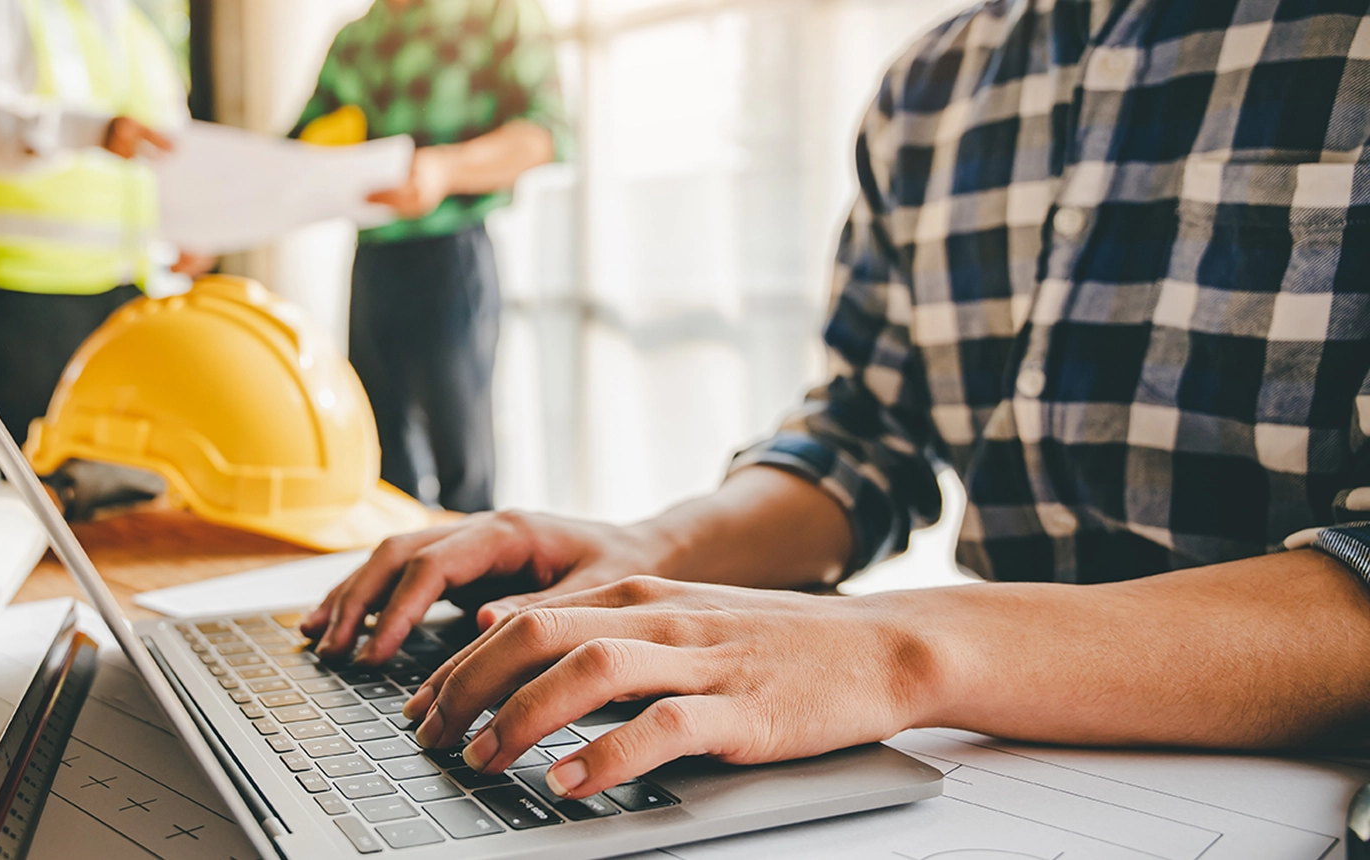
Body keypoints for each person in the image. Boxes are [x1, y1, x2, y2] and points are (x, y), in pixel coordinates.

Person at [305, 0, 1370, 806]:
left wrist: (899, 647)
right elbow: (869, 430)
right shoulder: (938, 83)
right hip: (997, 774)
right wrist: (656, 544)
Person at [290, 0, 568, 513]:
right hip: (372, 261)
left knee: (461, 463)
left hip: (452, 257)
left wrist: (446, 169)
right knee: (375, 454)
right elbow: (296, 152)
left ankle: (474, 586)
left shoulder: (498, 15)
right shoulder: (355, 39)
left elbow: (544, 132)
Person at [0, 0, 209, 449]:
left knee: (122, 488)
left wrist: (195, 227)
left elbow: (169, 147)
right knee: (46, 486)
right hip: (26, 295)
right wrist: (86, 131)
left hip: (131, 294)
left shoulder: (137, 28)